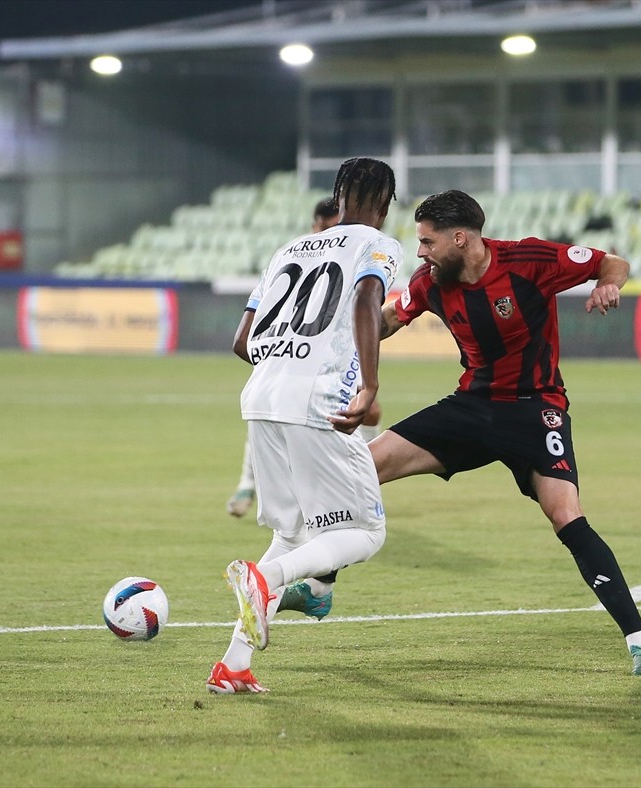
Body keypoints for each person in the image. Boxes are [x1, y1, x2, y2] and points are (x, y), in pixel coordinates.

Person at [330, 189, 641, 677]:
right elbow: (383, 322)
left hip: (537, 408)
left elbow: (612, 262)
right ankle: (320, 583)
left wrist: (606, 286)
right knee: (359, 468)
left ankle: (640, 643)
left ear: (460, 238)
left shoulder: (529, 259)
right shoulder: (429, 283)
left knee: (566, 516)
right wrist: (343, 328)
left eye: (427, 242)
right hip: (471, 406)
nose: (420, 252)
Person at [207, 157, 402, 694]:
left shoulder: (288, 249)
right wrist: (369, 385)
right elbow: (366, 298)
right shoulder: (379, 246)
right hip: (319, 402)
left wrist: (290, 360)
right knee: (365, 533)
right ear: (385, 204)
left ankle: (234, 665)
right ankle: (265, 580)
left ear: (336, 197)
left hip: (262, 398)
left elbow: (242, 342)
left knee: (292, 534)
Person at [225, 198, 384, 518]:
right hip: (300, 357)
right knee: (279, 402)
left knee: (369, 411)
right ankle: (248, 483)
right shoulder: (301, 260)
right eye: (325, 228)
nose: (333, 235)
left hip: (337, 356)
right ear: (316, 227)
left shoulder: (343, 257)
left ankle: (367, 478)